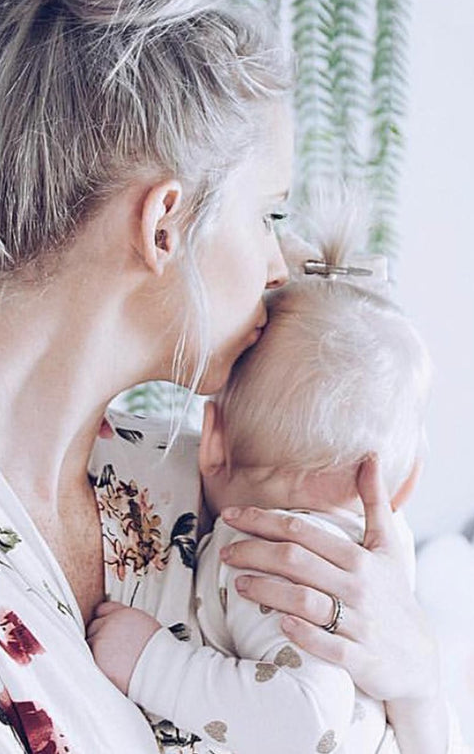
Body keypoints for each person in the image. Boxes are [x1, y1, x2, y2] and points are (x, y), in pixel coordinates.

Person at [0, 0, 462, 752]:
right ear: (165, 222)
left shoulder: (198, 481)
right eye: (267, 212)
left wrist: (418, 681)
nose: (279, 265)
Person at [87, 188, 432, 753]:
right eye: (263, 216)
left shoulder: (274, 557)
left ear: (212, 441)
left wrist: (154, 665)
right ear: (406, 484)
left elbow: (304, 716)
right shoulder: (382, 570)